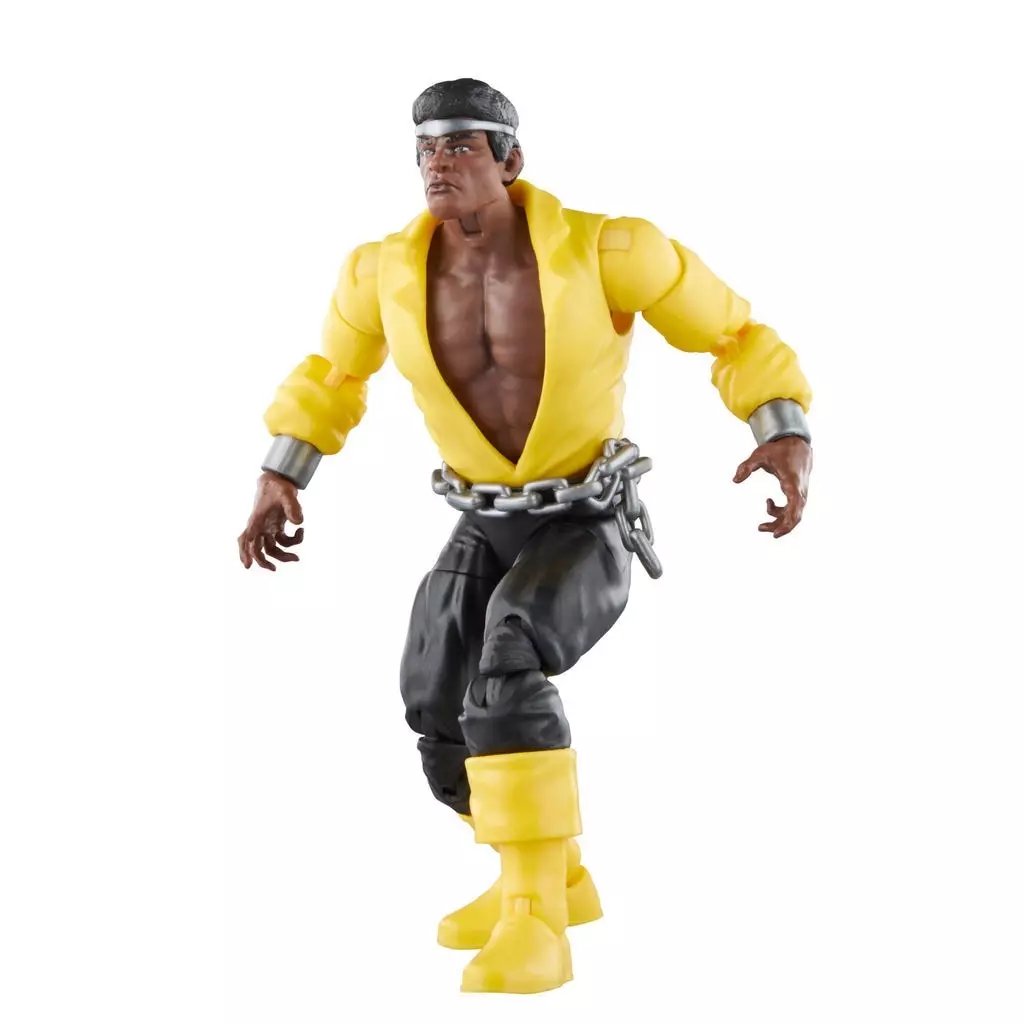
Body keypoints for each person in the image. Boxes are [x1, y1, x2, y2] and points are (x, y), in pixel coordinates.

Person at [237, 77, 813, 994]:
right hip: (485, 516)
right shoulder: (380, 272)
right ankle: (540, 874)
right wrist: (282, 471)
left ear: (510, 160)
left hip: (587, 518)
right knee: (434, 693)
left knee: (507, 662)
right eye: (426, 147)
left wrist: (780, 424)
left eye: (462, 145)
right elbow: (333, 375)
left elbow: (731, 331)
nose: (439, 162)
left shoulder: (610, 249)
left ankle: (537, 920)